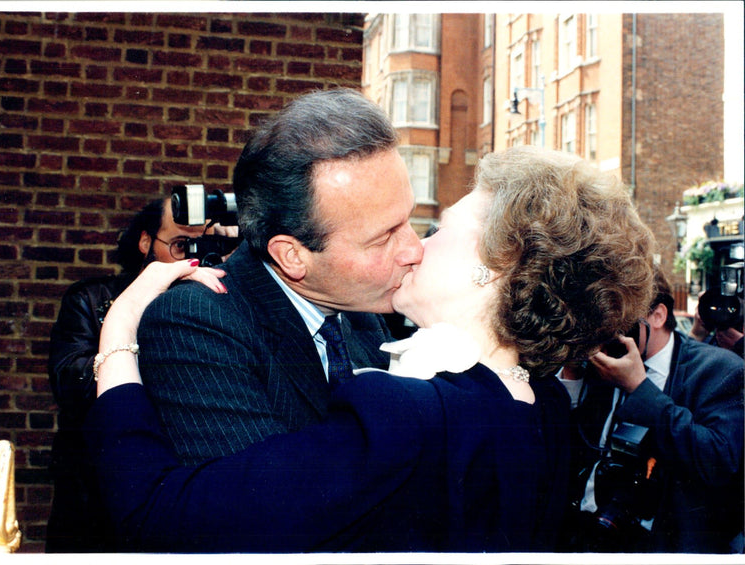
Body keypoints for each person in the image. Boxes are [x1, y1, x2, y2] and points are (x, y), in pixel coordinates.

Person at [84, 145, 657, 552]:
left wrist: (117, 336)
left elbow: (154, 511)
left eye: (436, 230)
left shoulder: (408, 415)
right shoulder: (548, 408)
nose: (412, 249)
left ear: (496, 266)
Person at [137, 88, 423, 465]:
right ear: (291, 256)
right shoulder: (195, 325)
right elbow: (271, 506)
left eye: (408, 220)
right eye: (385, 236)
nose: (414, 249)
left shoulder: (360, 314)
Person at [46, 197, 227, 552]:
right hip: (98, 500)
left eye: (204, 245)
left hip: (186, 494)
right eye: (180, 245)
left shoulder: (222, 305)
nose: (192, 256)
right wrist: (130, 313)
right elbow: (72, 386)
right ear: (146, 242)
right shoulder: (95, 298)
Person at [558, 268, 745, 553]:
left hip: (663, 544)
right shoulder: (605, 362)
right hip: (588, 530)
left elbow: (718, 460)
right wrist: (572, 370)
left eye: (618, 317)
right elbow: (569, 442)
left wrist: (639, 388)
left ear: (657, 315)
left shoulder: (719, 371)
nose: (609, 329)